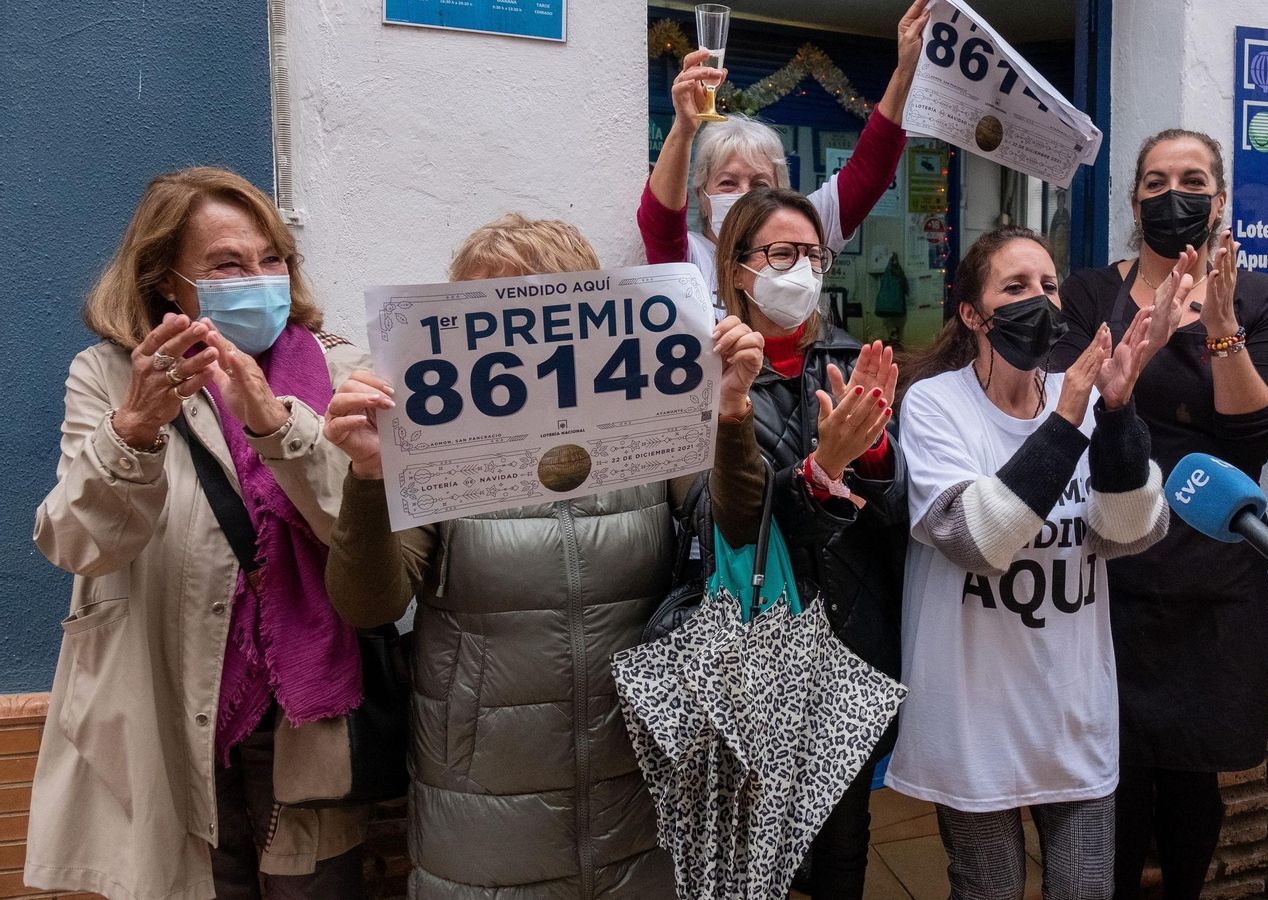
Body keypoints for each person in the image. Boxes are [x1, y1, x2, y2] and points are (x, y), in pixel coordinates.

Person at [320, 214, 768, 899]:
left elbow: (738, 533)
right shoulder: (432, 438)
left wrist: (730, 417)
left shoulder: (645, 415)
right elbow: (369, 603)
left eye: (546, 310)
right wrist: (369, 477)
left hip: (641, 777)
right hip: (484, 803)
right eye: (494, 317)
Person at [29, 166, 371, 899]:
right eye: (227, 265)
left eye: (272, 259)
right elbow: (77, 544)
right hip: (167, 700)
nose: (259, 280)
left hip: (301, 712)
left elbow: (362, 537)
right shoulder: (107, 376)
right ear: (166, 280)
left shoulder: (338, 367)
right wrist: (132, 430)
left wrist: (277, 428)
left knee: (313, 884)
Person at [888, 225, 1181, 900]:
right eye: (1015, 287)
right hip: (973, 713)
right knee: (989, 888)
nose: (1039, 300)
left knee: (1085, 889)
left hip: (1071, 706)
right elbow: (975, 539)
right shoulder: (935, 404)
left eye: (1048, 285)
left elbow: (1127, 532)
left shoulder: (1085, 394)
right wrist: (1067, 418)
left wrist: (1116, 412)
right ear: (973, 314)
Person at [1058, 128, 1268, 900]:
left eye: (1193, 181)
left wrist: (1222, 329)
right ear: (1135, 203)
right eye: (1157, 182)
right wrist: (1144, 348)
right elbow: (1066, 412)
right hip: (1111, 570)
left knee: (1195, 782)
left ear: (1220, 200)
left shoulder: (1262, 301)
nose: (1175, 197)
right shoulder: (1088, 296)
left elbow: (1255, 436)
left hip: (1214, 575)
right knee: (1117, 779)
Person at [710, 187, 908, 899]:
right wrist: (822, 469)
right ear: (739, 269)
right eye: (781, 254)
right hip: (755, 644)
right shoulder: (707, 375)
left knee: (844, 842)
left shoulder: (851, 360)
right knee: (752, 848)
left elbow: (895, 517)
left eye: (813, 255)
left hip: (848, 635)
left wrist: (873, 453)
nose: (801, 270)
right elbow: (728, 521)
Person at [637, 0, 928, 301]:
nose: (745, 194)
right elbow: (660, 218)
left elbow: (869, 172)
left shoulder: (799, 234)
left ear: (780, 192)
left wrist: (905, 71)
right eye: (728, 182)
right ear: (702, 195)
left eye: (760, 184)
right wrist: (684, 128)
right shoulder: (689, 260)